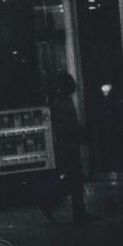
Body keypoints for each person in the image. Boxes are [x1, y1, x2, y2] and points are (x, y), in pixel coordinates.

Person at [39, 72, 91, 223]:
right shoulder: (64, 103)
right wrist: (82, 134)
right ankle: (54, 204)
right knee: (75, 179)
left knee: (72, 180)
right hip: (68, 146)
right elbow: (69, 125)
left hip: (65, 145)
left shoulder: (59, 102)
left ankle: (55, 205)